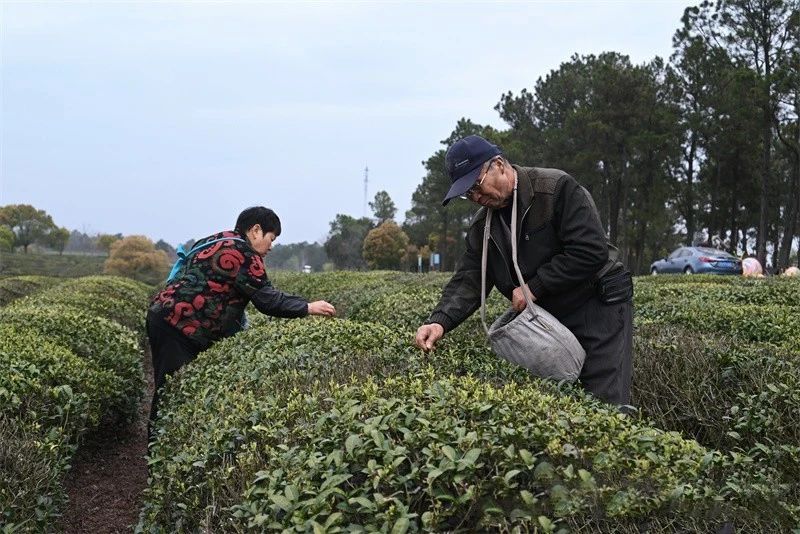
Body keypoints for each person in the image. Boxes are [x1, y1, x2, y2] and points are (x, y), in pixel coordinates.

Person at [414, 135, 633, 406]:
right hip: (550, 316)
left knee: (604, 401)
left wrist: (535, 287)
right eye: (467, 193)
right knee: (563, 403)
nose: (476, 197)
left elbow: (589, 250)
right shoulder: (483, 226)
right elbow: (469, 278)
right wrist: (440, 321)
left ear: (499, 165)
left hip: (597, 306)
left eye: (477, 185)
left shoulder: (556, 189)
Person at [146, 206, 335, 439]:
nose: (271, 246)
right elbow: (268, 300)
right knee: (171, 395)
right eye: (271, 238)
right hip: (177, 326)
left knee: (178, 389)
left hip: (166, 318)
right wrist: (308, 307)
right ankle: (158, 459)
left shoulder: (218, 239)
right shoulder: (245, 254)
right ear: (255, 230)